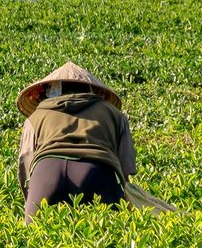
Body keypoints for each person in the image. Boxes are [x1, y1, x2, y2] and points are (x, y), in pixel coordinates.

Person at [16, 62, 139, 221]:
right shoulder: (115, 114)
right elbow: (126, 165)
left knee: (33, 237)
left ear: (53, 90)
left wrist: (33, 195)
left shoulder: (35, 117)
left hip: (46, 172)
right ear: (91, 89)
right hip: (98, 172)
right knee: (111, 236)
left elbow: (26, 159)